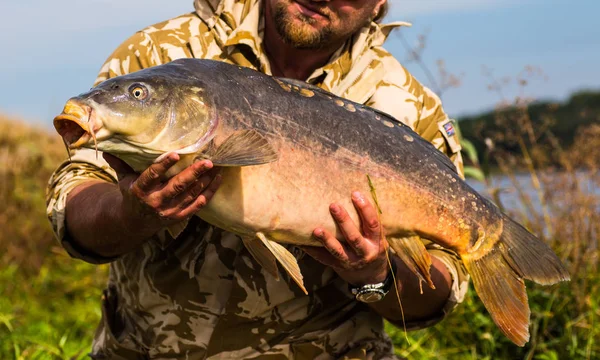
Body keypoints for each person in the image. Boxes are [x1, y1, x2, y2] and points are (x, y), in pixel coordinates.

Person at [46, 0, 469, 358]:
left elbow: (438, 294)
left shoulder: (407, 106)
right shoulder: (164, 54)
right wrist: (130, 214)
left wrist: (376, 275)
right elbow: (74, 199)